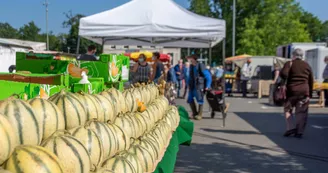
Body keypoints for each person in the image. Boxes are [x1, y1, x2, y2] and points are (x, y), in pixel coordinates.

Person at [280, 49, 313, 138]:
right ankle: (299, 132)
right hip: (304, 91)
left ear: (293, 55)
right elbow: (311, 80)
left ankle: (290, 128)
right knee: (302, 112)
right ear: (302, 56)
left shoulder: (289, 63)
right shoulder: (307, 65)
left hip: (292, 91)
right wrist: (310, 94)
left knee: (288, 109)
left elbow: (283, 74)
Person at [187, 55, 212, 120]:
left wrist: (208, 86)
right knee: (190, 99)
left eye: (190, 59)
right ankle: (195, 113)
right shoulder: (191, 66)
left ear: (194, 59)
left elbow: (208, 76)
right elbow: (190, 77)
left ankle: (199, 114)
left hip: (199, 86)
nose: (189, 60)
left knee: (200, 100)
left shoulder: (201, 65)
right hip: (192, 86)